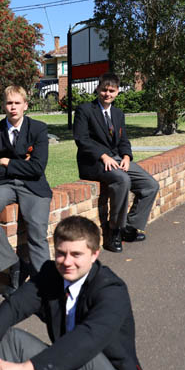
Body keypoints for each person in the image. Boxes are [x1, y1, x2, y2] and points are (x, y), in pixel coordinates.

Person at [0, 216, 156, 370]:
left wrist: (24, 369)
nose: (67, 262)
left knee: (80, 357)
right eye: (61, 253)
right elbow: (15, 306)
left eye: (76, 254)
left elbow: (87, 339)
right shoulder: (52, 274)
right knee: (10, 339)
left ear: (94, 254)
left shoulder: (111, 290)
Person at [0, 85, 52, 294]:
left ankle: (43, 285)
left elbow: (37, 168)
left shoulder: (38, 129)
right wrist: (22, 165)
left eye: (17, 103)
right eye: (9, 103)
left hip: (33, 186)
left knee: (37, 230)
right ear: (3, 106)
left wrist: (7, 162)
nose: (13, 107)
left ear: (25, 105)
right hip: (4, 184)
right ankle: (14, 264)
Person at [73, 73, 159, 253]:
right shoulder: (85, 110)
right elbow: (81, 139)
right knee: (122, 180)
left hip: (118, 159)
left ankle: (130, 226)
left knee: (150, 185)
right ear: (98, 89)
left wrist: (126, 157)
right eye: (104, 90)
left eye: (111, 91)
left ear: (118, 92)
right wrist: (103, 156)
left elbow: (123, 140)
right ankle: (115, 232)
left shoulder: (118, 113)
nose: (107, 94)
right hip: (94, 161)